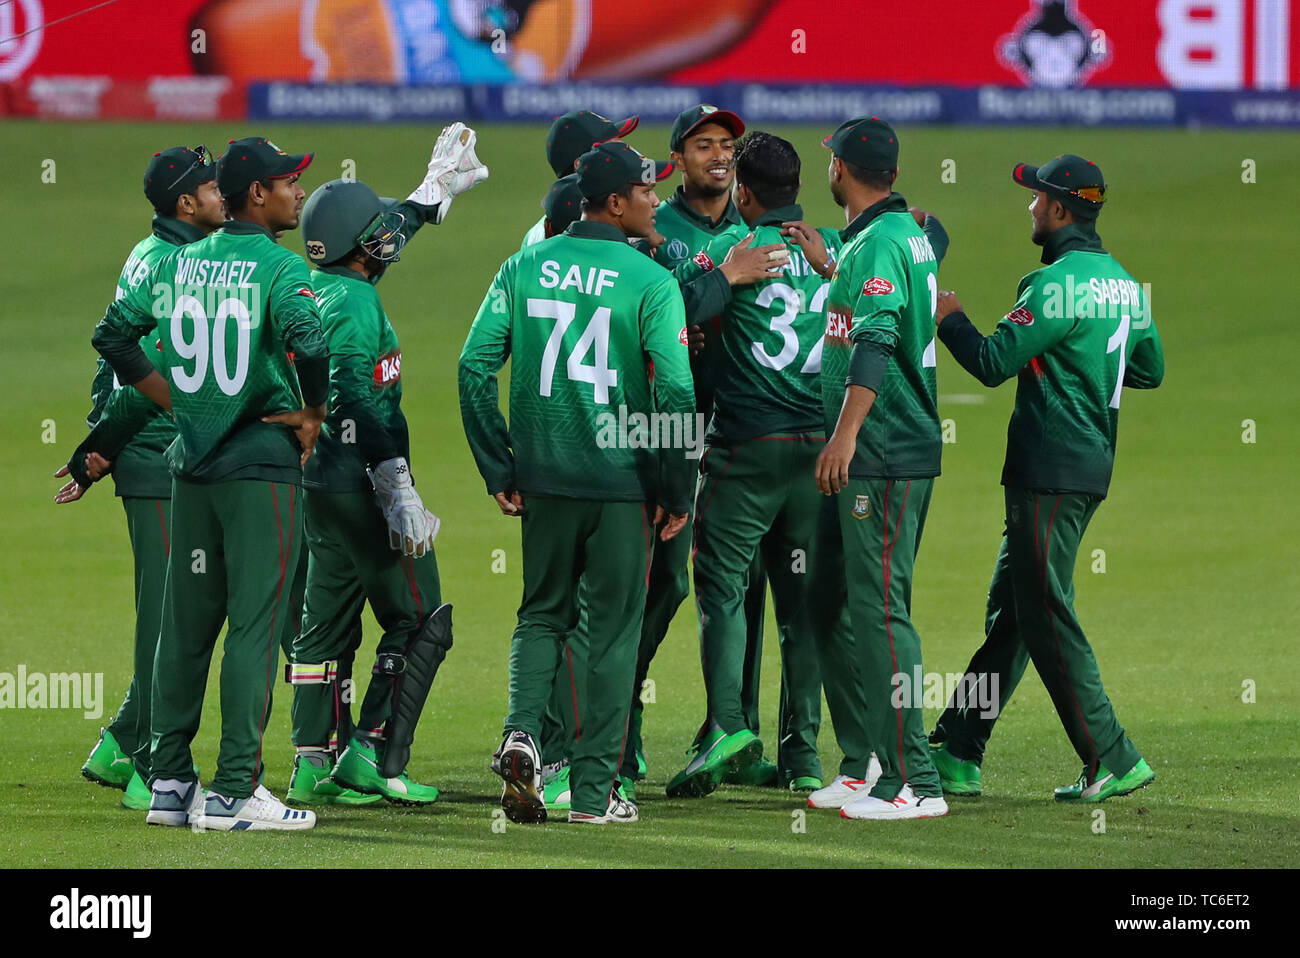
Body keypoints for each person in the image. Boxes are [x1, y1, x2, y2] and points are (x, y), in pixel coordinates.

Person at [92, 136, 330, 832]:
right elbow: (312, 344)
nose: (298, 194)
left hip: (188, 470)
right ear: (257, 194)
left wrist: (176, 402)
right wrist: (313, 411)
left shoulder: (177, 263)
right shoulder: (281, 271)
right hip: (258, 471)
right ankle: (232, 792)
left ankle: (168, 785)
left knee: (185, 631)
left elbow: (114, 337)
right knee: (254, 628)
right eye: (289, 182)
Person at [459, 141, 694, 824]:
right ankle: (593, 798)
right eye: (648, 191)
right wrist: (675, 487)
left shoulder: (524, 266)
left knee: (541, 615)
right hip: (622, 487)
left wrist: (499, 463)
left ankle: (522, 733)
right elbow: (676, 394)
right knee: (613, 639)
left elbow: (475, 367)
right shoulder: (651, 281)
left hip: (546, 482)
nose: (657, 201)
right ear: (616, 203)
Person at [927, 154, 1163, 803]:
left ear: (1060, 210)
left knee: (1045, 610)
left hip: (1048, 469)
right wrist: (1086, 368)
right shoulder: (1123, 284)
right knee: (1018, 610)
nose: (1030, 207)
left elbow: (992, 360)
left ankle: (1110, 754)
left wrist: (949, 317)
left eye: (1036, 199)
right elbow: (1149, 369)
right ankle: (959, 749)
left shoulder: (1052, 284)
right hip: (1088, 467)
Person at [285, 123, 489, 807]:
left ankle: (312, 761)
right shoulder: (359, 303)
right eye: (375, 231)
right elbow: (353, 404)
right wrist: (396, 486)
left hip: (312, 483)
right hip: (359, 479)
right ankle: (375, 754)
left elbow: (386, 228)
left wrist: (433, 193)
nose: (387, 238)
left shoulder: (307, 285)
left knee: (325, 624)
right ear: (355, 246)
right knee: (422, 616)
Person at [663, 131, 835, 797]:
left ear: (745, 190)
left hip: (748, 447)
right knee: (800, 606)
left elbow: (672, 310)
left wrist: (715, 279)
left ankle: (730, 724)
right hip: (819, 454)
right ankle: (803, 756)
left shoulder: (727, 249)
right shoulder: (833, 250)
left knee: (721, 586)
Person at [64, 147, 226, 812]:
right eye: (214, 188)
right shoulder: (176, 265)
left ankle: (119, 745)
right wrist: (104, 446)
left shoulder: (152, 251)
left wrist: (101, 444)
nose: (224, 196)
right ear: (186, 203)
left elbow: (118, 358)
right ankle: (152, 770)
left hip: (151, 451)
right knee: (169, 621)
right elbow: (128, 357)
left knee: (179, 611)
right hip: (156, 457)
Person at [803, 116, 950, 820]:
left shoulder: (884, 243)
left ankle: (915, 782)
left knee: (883, 614)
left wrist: (844, 436)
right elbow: (873, 299)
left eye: (831, 160)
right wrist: (834, 267)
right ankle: (870, 765)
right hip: (886, 450)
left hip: (883, 451)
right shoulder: (888, 239)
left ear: (846, 171)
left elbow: (880, 336)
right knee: (844, 603)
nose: (825, 168)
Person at [521, 110, 638, 248]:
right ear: (581, 165)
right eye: (613, 148)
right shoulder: (592, 224)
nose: (627, 152)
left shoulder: (544, 227)